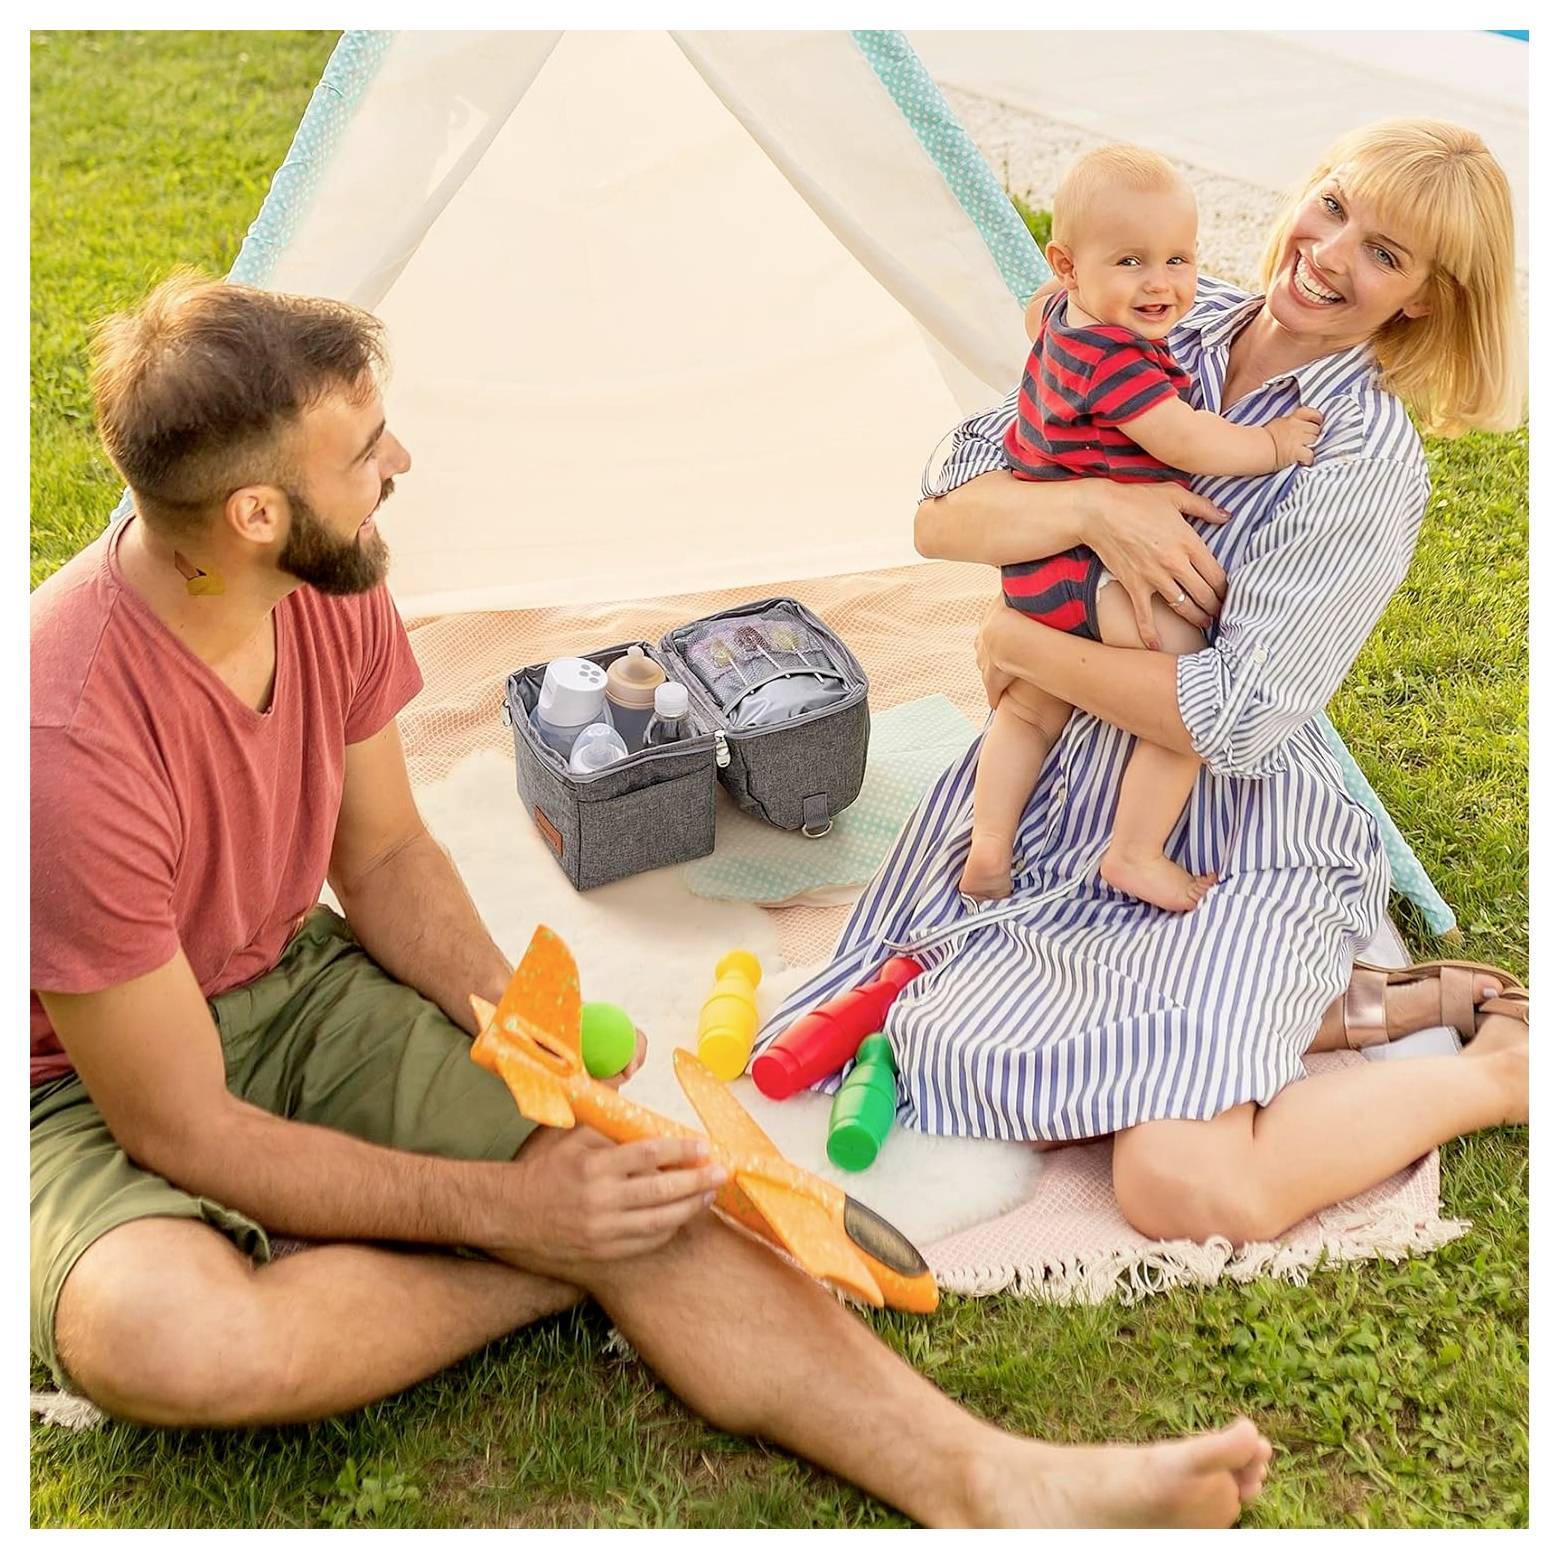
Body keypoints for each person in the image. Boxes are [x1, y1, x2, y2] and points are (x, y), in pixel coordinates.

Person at [29, 273, 1273, 1527]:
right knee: (163, 1338)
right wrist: (515, 1214)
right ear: (255, 512)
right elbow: (181, 1123)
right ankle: (558, 1262)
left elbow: (391, 858)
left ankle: (989, 1478)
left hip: (284, 976)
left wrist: (527, 1043)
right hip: (70, 1084)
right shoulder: (67, 743)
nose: (398, 459)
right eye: (363, 450)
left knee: (609, 1161)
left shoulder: (327, 584)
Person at [760, 118, 1528, 1241]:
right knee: (937, 1025)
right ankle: (1365, 1005)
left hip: (1218, 819)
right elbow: (944, 507)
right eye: (1333, 207)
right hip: (1070, 774)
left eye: (1382, 254)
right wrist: (1085, 506)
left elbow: (1233, 715)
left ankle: (1498, 1074)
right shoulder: (1170, 313)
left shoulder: (1357, 459)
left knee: (1180, 1182)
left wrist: (1023, 647)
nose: (1326, 254)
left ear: (1419, 297)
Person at [963, 144, 1323, 911]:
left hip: (1035, 568)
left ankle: (987, 846)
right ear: (1067, 264)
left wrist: (1101, 276)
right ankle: (1133, 850)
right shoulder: (1119, 358)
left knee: (1029, 707)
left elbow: (1035, 310)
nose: (1160, 283)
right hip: (1089, 568)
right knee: (1189, 685)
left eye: (1178, 259)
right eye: (1130, 261)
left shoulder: (1060, 317)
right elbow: (1183, 438)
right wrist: (1271, 444)